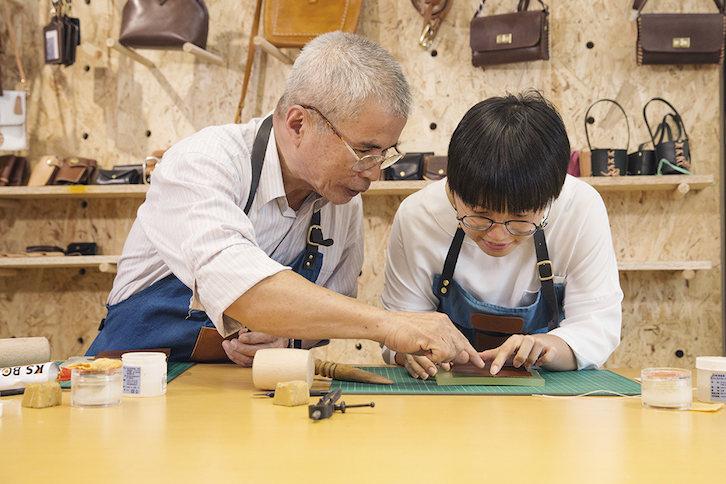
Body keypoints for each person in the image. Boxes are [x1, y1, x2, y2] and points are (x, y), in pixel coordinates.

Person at [87, 32, 482, 369]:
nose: (374, 172)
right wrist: (393, 324)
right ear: (298, 123)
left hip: (232, 396)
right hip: (133, 385)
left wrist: (289, 342)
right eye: (364, 151)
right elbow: (246, 293)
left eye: (385, 154)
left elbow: (328, 314)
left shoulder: (341, 201)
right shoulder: (203, 163)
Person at [381, 90, 622, 379]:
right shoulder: (418, 216)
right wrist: (408, 349)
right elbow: (399, 326)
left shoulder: (580, 208)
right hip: (444, 392)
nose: (498, 236)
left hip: (549, 399)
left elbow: (596, 327)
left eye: (519, 220)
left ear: (550, 199)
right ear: (453, 190)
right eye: (480, 216)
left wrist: (546, 347)